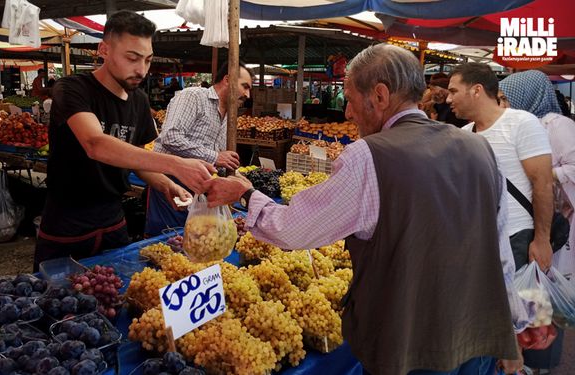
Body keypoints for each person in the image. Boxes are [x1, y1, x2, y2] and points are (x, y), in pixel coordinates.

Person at [204, 44, 531, 375]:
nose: (347, 112)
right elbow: (500, 251)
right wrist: (511, 331)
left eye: (349, 98)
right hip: (478, 341)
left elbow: (295, 228)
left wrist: (247, 194)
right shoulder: (480, 149)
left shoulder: (369, 156)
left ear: (379, 95)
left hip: (410, 348)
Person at [34, 10, 214, 270]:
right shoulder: (72, 88)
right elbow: (95, 144)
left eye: (148, 60)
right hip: (67, 221)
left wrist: (165, 184)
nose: (141, 70)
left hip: (113, 219)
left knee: (116, 295)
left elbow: (136, 158)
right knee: (57, 301)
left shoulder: (139, 100)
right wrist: (175, 164)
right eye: (132, 58)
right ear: (104, 50)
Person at [499, 70, 575, 374]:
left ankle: (541, 359)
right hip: (527, 222)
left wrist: (544, 175)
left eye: (506, 98)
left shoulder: (557, 126)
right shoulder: (516, 125)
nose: (503, 104)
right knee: (527, 292)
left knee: (542, 291)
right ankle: (524, 357)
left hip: (553, 227)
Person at [447, 63, 554, 273]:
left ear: (476, 90)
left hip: (517, 237)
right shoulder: (465, 133)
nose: (449, 99)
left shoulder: (522, 123)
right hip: (479, 241)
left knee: (521, 304)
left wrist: (542, 240)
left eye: (453, 91)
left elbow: (543, 184)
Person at [145, 61, 253, 236]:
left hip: (199, 186)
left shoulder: (229, 116)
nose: (248, 94)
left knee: (195, 242)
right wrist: (214, 157)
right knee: (166, 240)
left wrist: (239, 179)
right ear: (228, 80)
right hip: (170, 181)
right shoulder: (194, 96)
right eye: (245, 87)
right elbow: (170, 137)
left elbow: (219, 158)